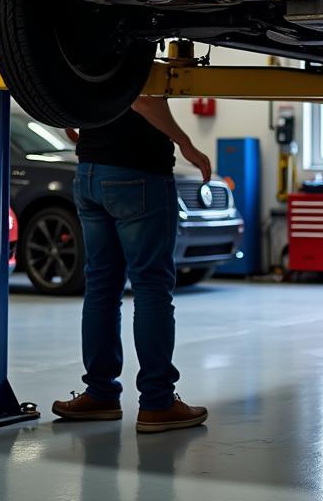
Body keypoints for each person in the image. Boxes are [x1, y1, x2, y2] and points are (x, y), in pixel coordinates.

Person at [52, 96, 213, 432]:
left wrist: (69, 116)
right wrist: (186, 143)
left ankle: (100, 394)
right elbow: (144, 101)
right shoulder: (136, 41)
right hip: (137, 171)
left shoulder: (76, 44)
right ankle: (158, 402)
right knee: (151, 287)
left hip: (89, 171)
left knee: (101, 287)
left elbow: (58, 91)